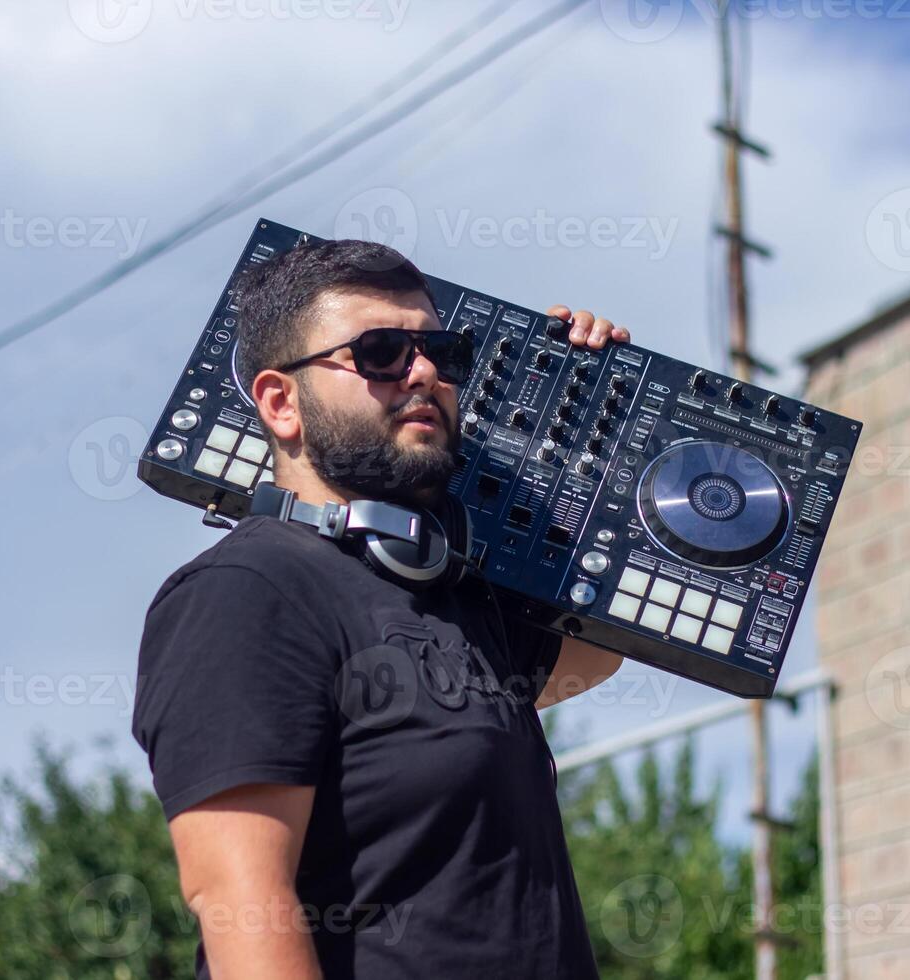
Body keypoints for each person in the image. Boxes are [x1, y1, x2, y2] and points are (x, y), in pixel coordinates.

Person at [132, 238, 632, 979]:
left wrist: (587, 410)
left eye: (441, 352)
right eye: (381, 353)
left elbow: (601, 653)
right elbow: (241, 900)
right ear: (280, 402)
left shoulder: (456, 597)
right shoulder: (246, 589)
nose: (423, 371)